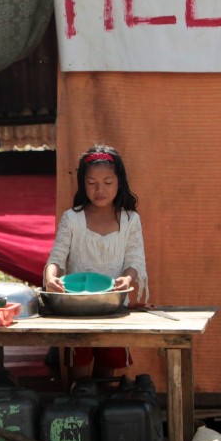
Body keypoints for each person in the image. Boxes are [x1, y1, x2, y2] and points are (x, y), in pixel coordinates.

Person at [43, 145, 148, 379]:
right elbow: (57, 257)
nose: (99, 189)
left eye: (107, 182)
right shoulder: (72, 218)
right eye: (91, 183)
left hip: (114, 309)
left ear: (119, 182)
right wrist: (51, 279)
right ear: (83, 183)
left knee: (106, 378)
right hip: (75, 311)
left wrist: (127, 278)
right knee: (79, 381)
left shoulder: (131, 220)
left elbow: (134, 259)